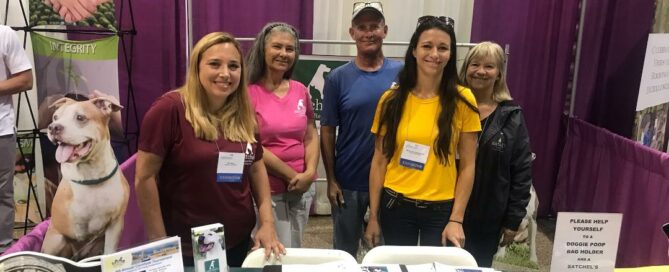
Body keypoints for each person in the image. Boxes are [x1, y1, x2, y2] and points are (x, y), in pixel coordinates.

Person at [135, 32, 285, 267]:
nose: (225, 73)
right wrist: (160, 243)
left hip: (236, 240)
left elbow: (255, 168)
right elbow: (145, 177)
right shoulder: (169, 110)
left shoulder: (245, 115)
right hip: (185, 246)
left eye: (233, 66)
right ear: (197, 67)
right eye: (215, 64)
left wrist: (267, 223)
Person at [364, 16, 480, 248]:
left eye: (443, 48)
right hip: (396, 204)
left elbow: (468, 165)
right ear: (414, 50)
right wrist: (374, 217)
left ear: (451, 54)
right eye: (427, 46)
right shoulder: (391, 100)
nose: (434, 54)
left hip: (441, 210)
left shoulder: (463, 100)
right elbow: (379, 161)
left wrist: (457, 218)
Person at [320, 1, 403, 257]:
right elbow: (327, 130)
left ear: (385, 30)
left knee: (385, 253)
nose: (369, 32)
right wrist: (332, 179)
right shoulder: (337, 78)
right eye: (362, 27)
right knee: (344, 253)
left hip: (392, 181)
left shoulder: (403, 73)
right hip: (349, 182)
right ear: (352, 33)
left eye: (374, 26)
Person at [459, 41, 532, 267]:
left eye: (489, 66)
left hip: (488, 216)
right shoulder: (450, 106)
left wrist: (513, 220)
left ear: (499, 73)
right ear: (466, 69)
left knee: (477, 267)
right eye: (475, 64)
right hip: (445, 210)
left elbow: (521, 171)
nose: (481, 71)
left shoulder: (512, 116)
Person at [246, 22, 319, 248]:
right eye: (277, 47)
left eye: (290, 49)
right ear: (263, 49)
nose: (283, 54)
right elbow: (252, 145)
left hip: (302, 189)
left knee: (294, 248)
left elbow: (310, 134)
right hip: (268, 190)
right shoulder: (248, 93)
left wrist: (309, 173)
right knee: (273, 251)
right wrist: (292, 175)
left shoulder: (300, 90)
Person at [0, 25, 33, 253]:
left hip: (1, 131)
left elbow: (25, 80)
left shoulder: (4, 35)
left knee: (2, 193)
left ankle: (3, 250)